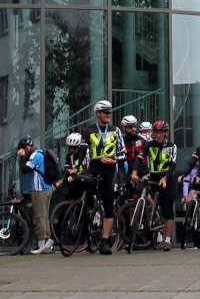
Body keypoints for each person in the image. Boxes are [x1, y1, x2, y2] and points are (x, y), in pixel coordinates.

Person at [72, 100, 126, 255]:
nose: (108, 115)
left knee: (109, 204)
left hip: (110, 170)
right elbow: (82, 151)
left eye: (110, 112)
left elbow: (123, 154)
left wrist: (114, 160)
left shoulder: (115, 130)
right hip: (94, 167)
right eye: (105, 112)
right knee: (76, 182)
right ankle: (85, 209)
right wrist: (76, 167)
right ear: (98, 113)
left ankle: (104, 241)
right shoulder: (88, 130)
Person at [132, 121, 177, 251]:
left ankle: (167, 239)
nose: (158, 136)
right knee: (138, 192)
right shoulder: (149, 145)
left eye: (161, 133)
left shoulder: (172, 146)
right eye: (156, 133)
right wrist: (134, 172)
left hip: (167, 178)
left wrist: (165, 178)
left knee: (167, 208)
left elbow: (172, 165)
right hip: (153, 177)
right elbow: (139, 158)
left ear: (166, 133)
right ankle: (140, 218)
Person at [17, 136, 55, 254]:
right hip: (46, 189)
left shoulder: (35, 156)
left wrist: (22, 157)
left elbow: (24, 169)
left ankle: (41, 245)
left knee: (40, 217)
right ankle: (47, 246)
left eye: (24, 150)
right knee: (45, 217)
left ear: (27, 148)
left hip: (40, 190)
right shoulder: (41, 153)